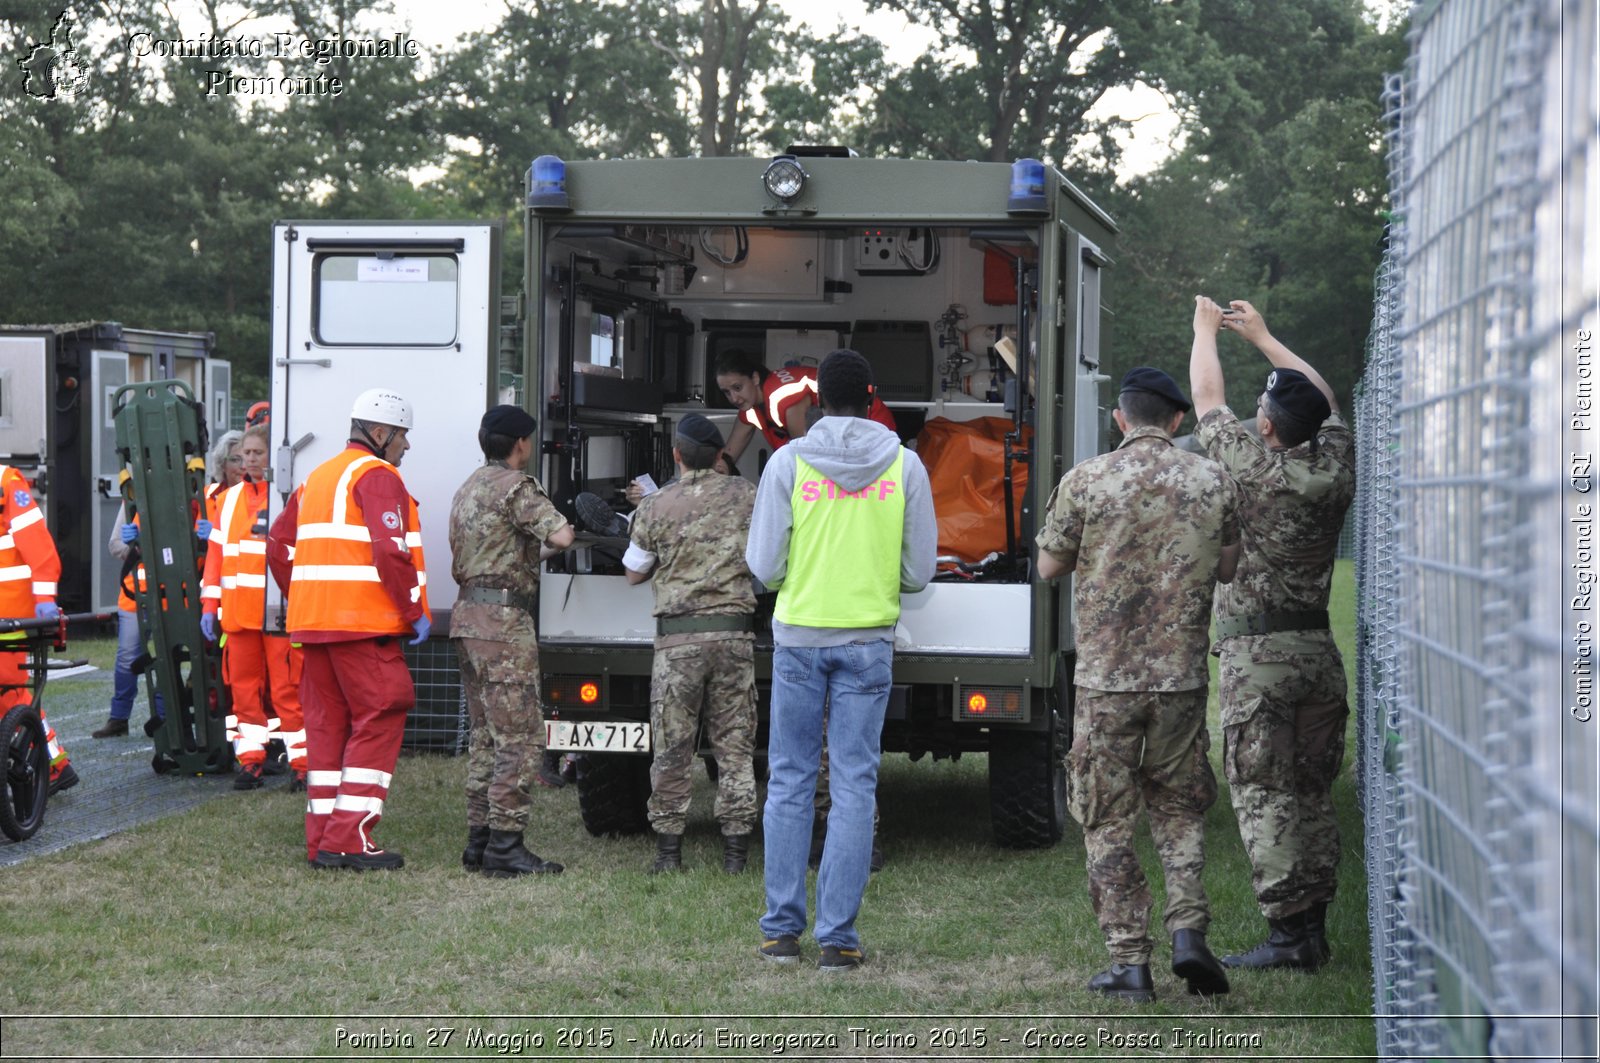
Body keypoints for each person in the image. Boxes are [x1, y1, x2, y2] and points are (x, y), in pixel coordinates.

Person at [1035, 366, 1240, 1003]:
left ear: (1120, 418)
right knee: (1178, 807)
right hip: (1180, 679)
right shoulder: (1213, 479)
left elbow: (1046, 566)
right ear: (1176, 420)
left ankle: (1129, 959)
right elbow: (1230, 567)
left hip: (1106, 682)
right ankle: (1189, 932)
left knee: (1107, 816)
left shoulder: (1088, 479)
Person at [746, 349, 936, 972]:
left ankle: (780, 933)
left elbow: (764, 566)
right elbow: (919, 573)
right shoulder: (905, 466)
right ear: (871, 395)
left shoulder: (786, 463)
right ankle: (838, 939)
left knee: (791, 781)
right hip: (868, 642)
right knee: (855, 785)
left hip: (800, 637)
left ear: (815, 398)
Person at [1189, 297, 1356, 971]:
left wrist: (1206, 332)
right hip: (1318, 652)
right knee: (1311, 787)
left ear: (1266, 424)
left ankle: (1289, 936)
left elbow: (1205, 399)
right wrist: (1263, 338)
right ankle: (1313, 924)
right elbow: (1326, 398)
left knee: (1263, 789)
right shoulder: (1336, 466)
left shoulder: (1254, 472)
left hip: (1259, 658)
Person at [267, 388, 430, 871]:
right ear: (380, 433)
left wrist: (307, 598)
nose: (405, 447)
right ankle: (348, 840)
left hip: (314, 629)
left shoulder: (318, 477)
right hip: (364, 628)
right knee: (380, 716)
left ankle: (322, 840)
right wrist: (414, 610)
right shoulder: (378, 476)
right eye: (402, 436)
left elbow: (278, 545)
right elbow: (389, 552)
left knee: (326, 731)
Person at [623, 413, 759, 874]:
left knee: (672, 748)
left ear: (677, 455)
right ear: (721, 455)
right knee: (735, 746)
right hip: (733, 637)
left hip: (677, 643)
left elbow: (634, 572)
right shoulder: (748, 496)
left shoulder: (656, 505)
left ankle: (668, 855)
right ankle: (736, 856)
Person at [448, 404, 574, 878]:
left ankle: (478, 841)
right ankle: (506, 844)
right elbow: (559, 536)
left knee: (485, 735)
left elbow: (499, 550)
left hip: (467, 619)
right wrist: (573, 529)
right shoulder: (516, 487)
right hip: (503, 626)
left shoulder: (469, 487)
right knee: (519, 737)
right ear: (521, 443)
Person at [201, 425, 307, 792]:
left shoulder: (288, 496)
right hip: (238, 616)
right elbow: (216, 557)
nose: (249, 460)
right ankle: (251, 762)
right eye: (244, 454)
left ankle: (303, 765)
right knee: (244, 693)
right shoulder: (228, 500)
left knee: (287, 692)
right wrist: (208, 604)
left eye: (257, 453)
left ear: (272, 457)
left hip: (278, 614)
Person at [0, 462, 76, 794]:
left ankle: (53, 763)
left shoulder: (6, 482)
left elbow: (39, 546)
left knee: (8, 692)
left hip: (11, 613)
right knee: (10, 695)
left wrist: (44, 596)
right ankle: (54, 763)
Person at [713, 348, 897, 465]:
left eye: (737, 388)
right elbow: (728, 456)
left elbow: (805, 455)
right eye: (726, 392)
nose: (734, 398)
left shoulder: (782, 396)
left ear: (754, 378)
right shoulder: (751, 406)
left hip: (869, 420)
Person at [92, 502, 165, 738]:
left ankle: (164, 718)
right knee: (126, 658)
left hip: (170, 597)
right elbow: (115, 545)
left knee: (166, 658)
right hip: (134, 596)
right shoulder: (132, 496)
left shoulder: (184, 493)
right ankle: (119, 718)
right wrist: (134, 547)